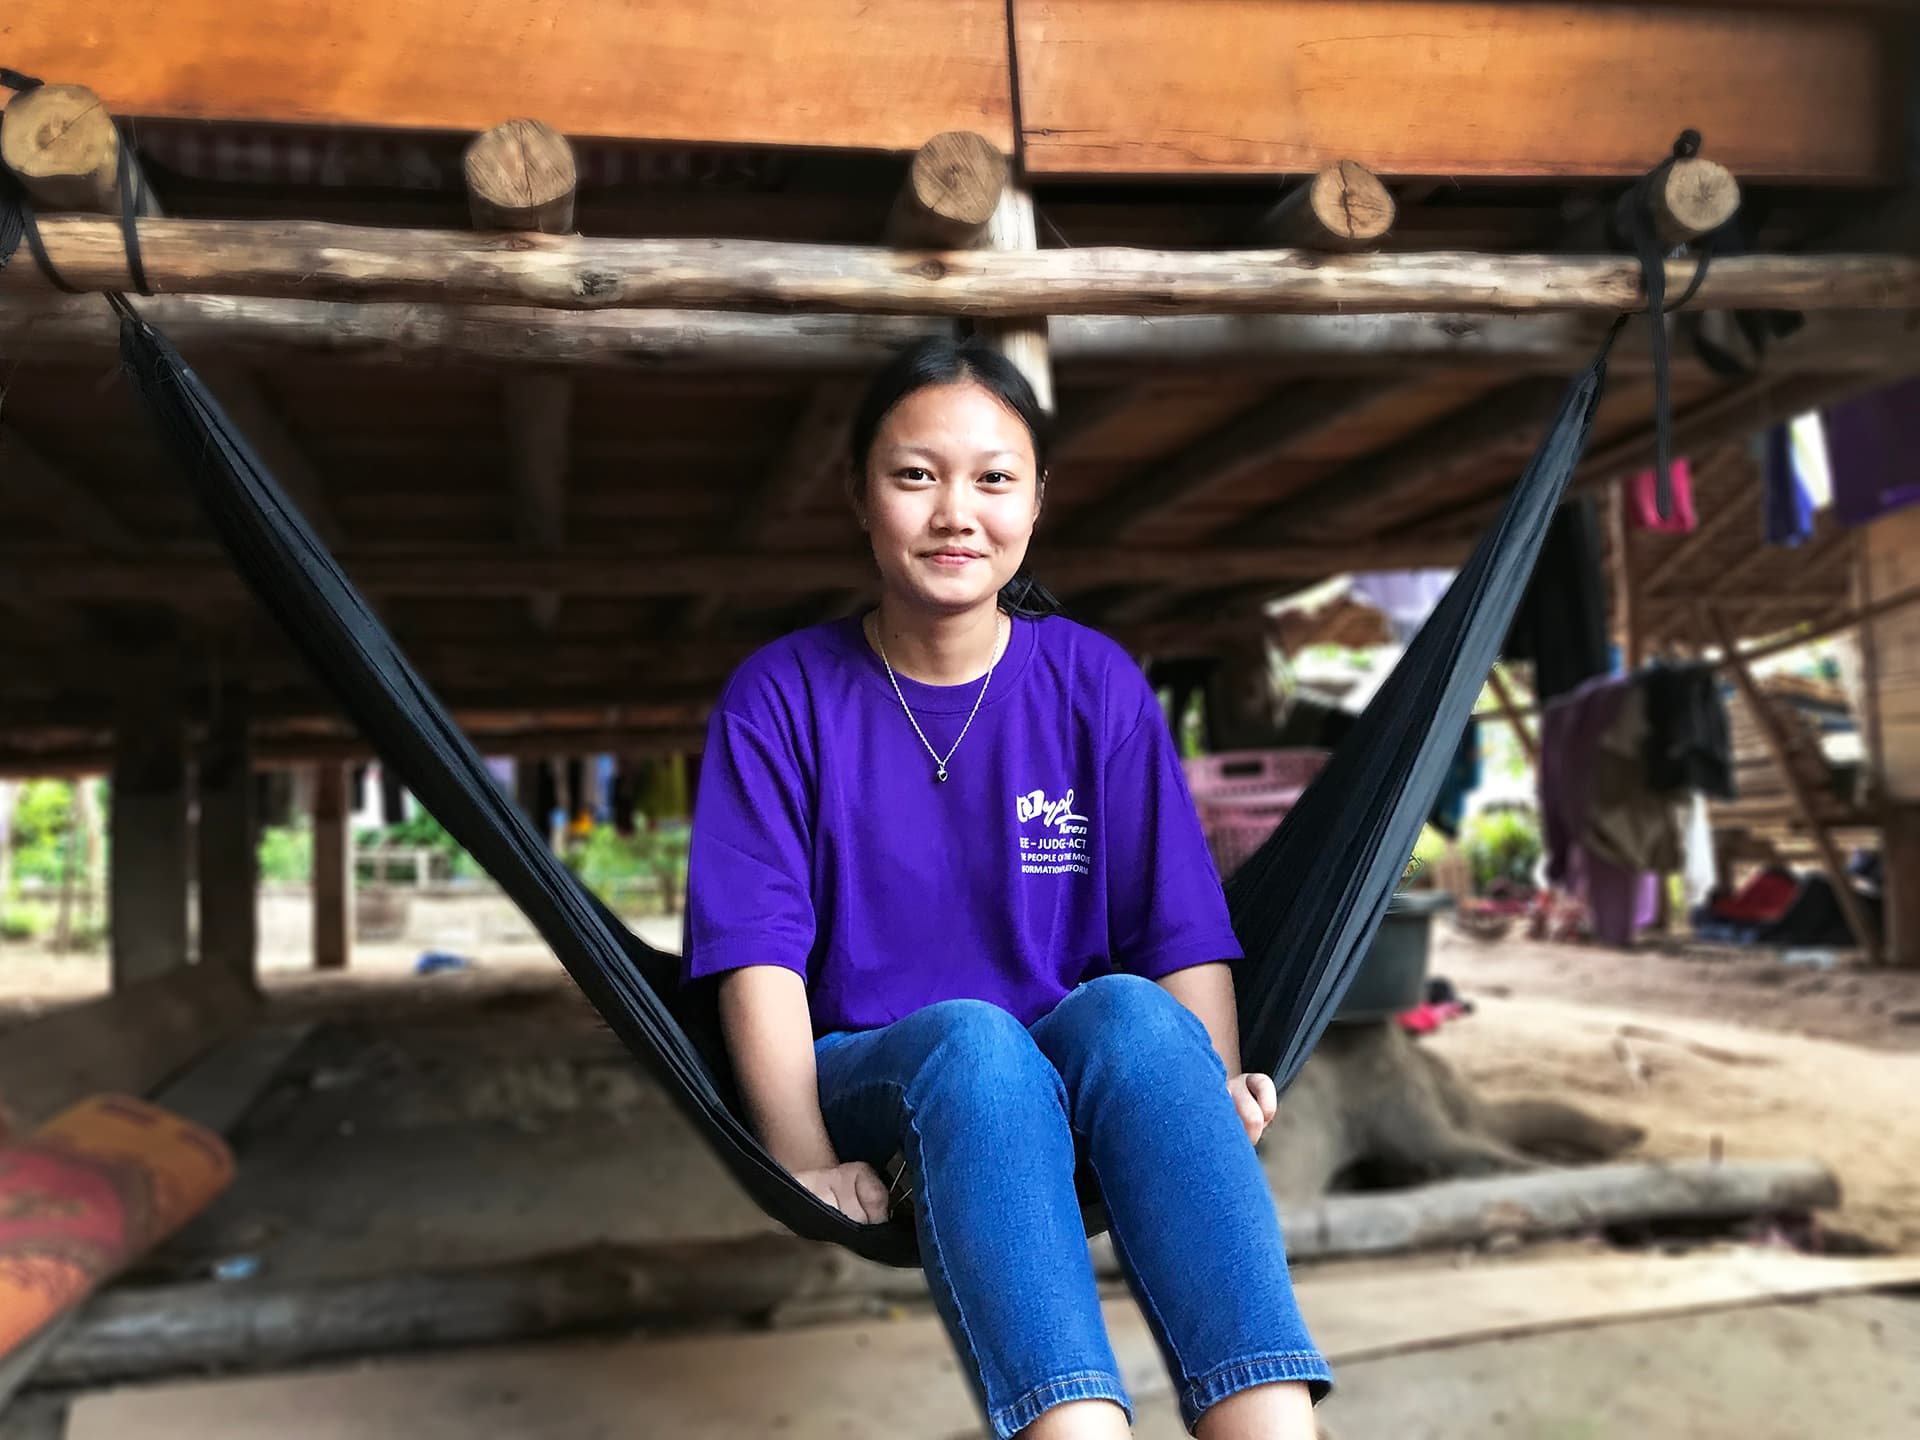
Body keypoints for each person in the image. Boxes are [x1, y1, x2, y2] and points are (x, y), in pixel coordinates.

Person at [683, 336, 1330, 1439]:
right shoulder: (781, 696)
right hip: (878, 1069)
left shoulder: (1093, 682)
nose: (955, 513)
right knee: (978, 1044)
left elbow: (1176, 922)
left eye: (992, 478)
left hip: (1073, 1055)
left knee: (1133, 1013)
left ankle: (1272, 1430)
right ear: (860, 494)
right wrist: (799, 1157)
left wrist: (1205, 1080)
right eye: (915, 475)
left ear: (1036, 499)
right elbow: (756, 952)